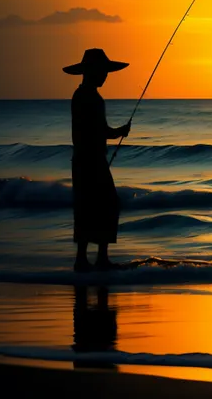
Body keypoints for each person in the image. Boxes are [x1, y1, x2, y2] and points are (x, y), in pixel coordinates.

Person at [63, 48, 131, 272]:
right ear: (91, 71)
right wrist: (120, 131)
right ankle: (96, 259)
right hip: (89, 160)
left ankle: (85, 259)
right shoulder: (89, 97)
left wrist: (116, 132)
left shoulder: (83, 95)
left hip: (84, 159)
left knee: (89, 207)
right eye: (102, 71)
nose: (105, 76)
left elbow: (96, 130)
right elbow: (100, 131)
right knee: (107, 205)